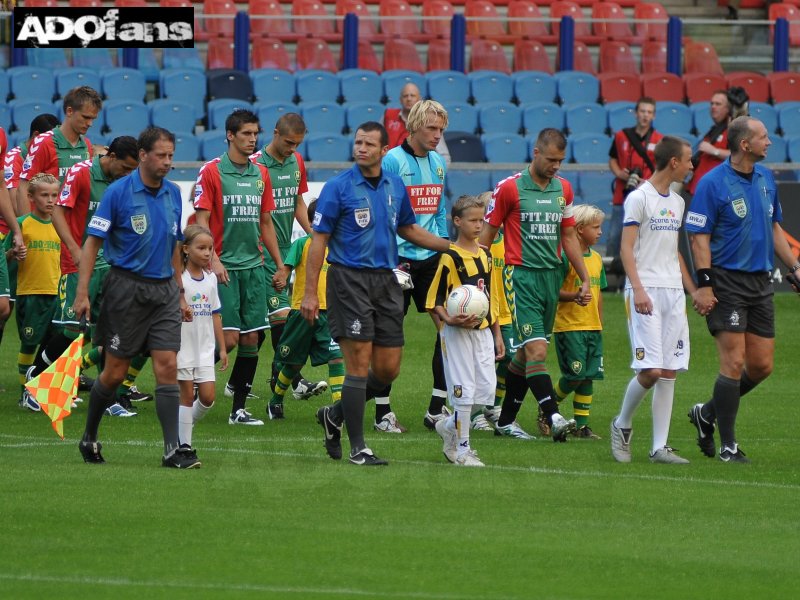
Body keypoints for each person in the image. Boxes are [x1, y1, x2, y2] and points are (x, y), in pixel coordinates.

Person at [302, 121, 452, 466]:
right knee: (357, 365)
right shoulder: (338, 187)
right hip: (348, 281)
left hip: (386, 282)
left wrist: (453, 248)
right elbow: (319, 241)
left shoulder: (394, 185)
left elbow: (410, 229)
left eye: (369, 144)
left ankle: (334, 415)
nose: (361, 148)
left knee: (387, 369)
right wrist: (311, 293)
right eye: (358, 142)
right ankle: (359, 448)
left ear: (384, 150)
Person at [73, 126, 197, 468]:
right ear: (143, 155)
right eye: (161, 155)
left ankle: (173, 448)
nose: (167, 162)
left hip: (164, 292)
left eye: (171, 155)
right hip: (125, 288)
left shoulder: (173, 193)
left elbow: (174, 246)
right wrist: (82, 292)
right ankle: (89, 436)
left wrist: (180, 291)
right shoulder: (118, 193)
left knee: (167, 365)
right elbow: (92, 243)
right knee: (114, 372)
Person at [685, 116, 798, 463]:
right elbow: (698, 237)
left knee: (761, 366)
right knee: (733, 362)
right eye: (763, 137)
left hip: (760, 281)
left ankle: (706, 413)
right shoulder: (712, 183)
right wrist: (704, 285)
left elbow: (775, 227)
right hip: (726, 282)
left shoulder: (766, 178)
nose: (770, 142)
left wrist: (794, 267)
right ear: (745, 145)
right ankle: (728, 446)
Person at [480, 128, 589, 442]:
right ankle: (553, 415)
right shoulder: (509, 189)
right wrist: (478, 280)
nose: (556, 166)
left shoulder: (564, 190)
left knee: (527, 356)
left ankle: (506, 421)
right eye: (551, 159)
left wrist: (583, 278)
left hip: (550, 278)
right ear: (536, 153)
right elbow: (487, 238)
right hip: (521, 276)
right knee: (537, 350)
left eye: (561, 161)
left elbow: (569, 236)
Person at [610, 136, 707, 465]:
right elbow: (626, 248)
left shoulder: (677, 202)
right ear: (673, 163)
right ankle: (622, 423)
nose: (692, 165)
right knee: (649, 370)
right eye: (689, 159)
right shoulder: (640, 198)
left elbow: (674, 251)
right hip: (645, 289)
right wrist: (637, 288)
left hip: (673, 292)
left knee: (668, 370)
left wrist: (692, 290)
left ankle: (659, 447)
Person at [34, 136, 141, 416]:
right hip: (77, 263)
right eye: (126, 167)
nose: (129, 174)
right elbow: (58, 210)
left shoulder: (126, 182)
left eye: (133, 170)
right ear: (112, 156)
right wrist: (73, 248)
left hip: (111, 265)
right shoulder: (81, 172)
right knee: (71, 331)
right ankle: (35, 378)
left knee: (110, 333)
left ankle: (106, 397)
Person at [193, 109, 283, 426]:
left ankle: (238, 410)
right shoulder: (212, 172)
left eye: (255, 133)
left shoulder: (261, 174)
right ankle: (192, 382)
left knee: (250, 339)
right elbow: (201, 222)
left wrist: (280, 265)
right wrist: (213, 260)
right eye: (246, 133)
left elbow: (266, 222)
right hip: (223, 268)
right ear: (230, 135)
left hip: (255, 267)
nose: (252, 139)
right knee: (228, 340)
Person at [376, 99, 450, 434]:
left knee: (451, 329)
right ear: (415, 126)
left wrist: (447, 249)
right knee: (389, 335)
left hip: (432, 258)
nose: (437, 135)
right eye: (432, 128)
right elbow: (386, 215)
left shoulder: (437, 162)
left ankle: (437, 407)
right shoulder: (392, 161)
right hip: (399, 260)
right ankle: (382, 412)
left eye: (441, 129)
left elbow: (438, 211)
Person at [243, 112, 326, 404]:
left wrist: (313, 235)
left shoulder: (297, 162)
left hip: (283, 250)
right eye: (289, 142)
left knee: (262, 324)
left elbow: (297, 201)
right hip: (257, 256)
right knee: (281, 318)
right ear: (275, 133)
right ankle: (294, 383)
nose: (293, 149)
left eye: (298, 144)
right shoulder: (253, 165)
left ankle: (239, 382)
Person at [427, 194, 504, 467]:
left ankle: (448, 426)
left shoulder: (486, 254)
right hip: (457, 333)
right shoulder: (449, 256)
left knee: (485, 392)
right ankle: (462, 450)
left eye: (481, 220)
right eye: (472, 220)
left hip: (483, 332)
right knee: (463, 391)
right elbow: (433, 299)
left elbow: (491, 297)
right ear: (457, 221)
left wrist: (496, 333)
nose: (478, 225)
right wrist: (450, 319)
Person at [269, 199, 344, 418]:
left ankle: (339, 410)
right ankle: (275, 401)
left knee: (336, 357)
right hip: (302, 312)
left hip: (329, 314)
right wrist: (281, 276)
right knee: (294, 363)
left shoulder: (339, 247)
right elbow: (287, 267)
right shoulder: (302, 244)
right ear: (311, 223)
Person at [4, 173, 60, 411]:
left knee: (54, 345)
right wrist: (12, 254)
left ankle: (45, 390)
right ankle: (24, 393)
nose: (50, 200)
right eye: (44, 195)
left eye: (54, 195)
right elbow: (3, 258)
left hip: (57, 293)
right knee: (30, 344)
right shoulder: (22, 224)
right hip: (30, 293)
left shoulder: (62, 225)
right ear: (30, 197)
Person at [552, 204, 607, 440]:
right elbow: (553, 291)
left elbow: (599, 294)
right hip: (569, 326)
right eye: (596, 227)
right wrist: (574, 295)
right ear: (580, 229)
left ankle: (581, 426)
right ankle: (549, 409)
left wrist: (599, 321)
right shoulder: (565, 258)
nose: (600, 232)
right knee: (574, 376)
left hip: (592, 327)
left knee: (588, 376)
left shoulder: (596, 259)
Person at [176, 224, 228, 467]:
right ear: (186, 249)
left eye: (210, 248)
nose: (207, 253)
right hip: (184, 346)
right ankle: (183, 445)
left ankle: (184, 424)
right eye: (202, 248)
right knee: (186, 395)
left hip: (205, 348)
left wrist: (222, 347)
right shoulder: (180, 281)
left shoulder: (210, 280)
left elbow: (215, 314)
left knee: (207, 397)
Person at [607, 97, 662, 273]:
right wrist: (619, 173)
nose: (645, 115)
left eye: (649, 112)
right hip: (622, 194)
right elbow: (613, 159)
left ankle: (640, 273)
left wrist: (649, 182)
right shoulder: (621, 136)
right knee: (615, 235)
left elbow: (661, 167)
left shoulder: (659, 139)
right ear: (636, 113)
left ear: (653, 116)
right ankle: (611, 276)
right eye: (642, 111)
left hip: (646, 195)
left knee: (644, 236)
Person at [18, 86, 101, 199]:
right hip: (47, 216)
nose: (90, 123)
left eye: (93, 119)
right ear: (69, 111)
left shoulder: (86, 145)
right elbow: (24, 187)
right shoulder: (43, 142)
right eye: (86, 117)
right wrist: (28, 217)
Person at [4, 113, 60, 216]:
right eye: (52, 141)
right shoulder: (13, 159)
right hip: (12, 227)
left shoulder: (53, 155)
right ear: (36, 136)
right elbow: (16, 205)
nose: (55, 145)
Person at [384, 82, 451, 163]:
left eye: (412, 95)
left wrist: (436, 173)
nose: (409, 99)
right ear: (400, 100)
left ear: (419, 99)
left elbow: (444, 157)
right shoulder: (388, 115)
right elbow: (376, 142)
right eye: (405, 96)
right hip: (390, 166)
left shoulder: (429, 121)